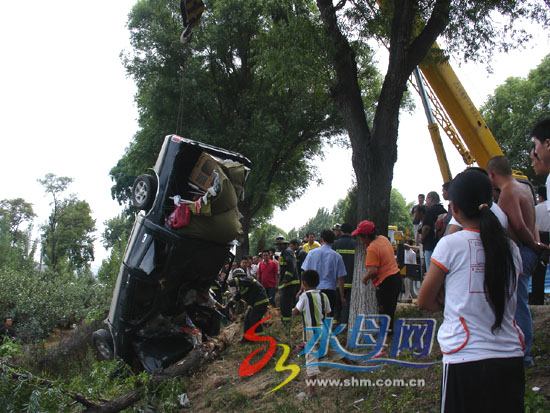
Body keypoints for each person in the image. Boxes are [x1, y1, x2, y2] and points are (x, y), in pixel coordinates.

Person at [418, 169, 525, 412]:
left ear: (453, 209)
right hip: (510, 359)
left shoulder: (450, 245)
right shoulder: (511, 249)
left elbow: (424, 300)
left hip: (465, 359)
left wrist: (451, 303)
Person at [487, 155, 547, 367]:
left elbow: (519, 226)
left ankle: (524, 354)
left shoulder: (509, 192)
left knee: (518, 303)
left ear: (492, 174)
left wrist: (532, 246)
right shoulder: (524, 188)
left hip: (521, 251)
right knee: (517, 300)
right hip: (526, 250)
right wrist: (536, 245)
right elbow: (531, 226)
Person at [353, 220, 402, 344]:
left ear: (366, 236)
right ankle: (389, 336)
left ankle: (384, 340)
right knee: (390, 310)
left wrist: (364, 279)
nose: (360, 239)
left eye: (360, 236)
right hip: (396, 277)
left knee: (384, 311)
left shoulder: (372, 249)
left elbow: (373, 271)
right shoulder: (383, 239)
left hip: (386, 282)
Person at [292, 270, 330, 400]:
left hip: (310, 335)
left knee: (311, 362)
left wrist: (293, 309)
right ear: (318, 282)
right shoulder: (324, 296)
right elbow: (328, 313)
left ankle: (311, 392)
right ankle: (350, 362)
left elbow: (296, 311)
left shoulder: (304, 296)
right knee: (334, 350)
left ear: (304, 283)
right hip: (324, 332)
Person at [300, 229, 347, 316]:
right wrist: (342, 297)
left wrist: (302, 289)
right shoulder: (337, 256)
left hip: (313, 290)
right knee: (328, 317)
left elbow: (305, 273)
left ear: (321, 239)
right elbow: (340, 278)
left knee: (314, 316)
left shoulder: (311, 253)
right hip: (330, 291)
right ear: (333, 240)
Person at [225, 268, 269, 340]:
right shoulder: (242, 287)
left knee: (253, 319)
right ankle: (246, 338)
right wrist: (228, 305)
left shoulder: (247, 280)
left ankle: (260, 337)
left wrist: (228, 283)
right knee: (248, 320)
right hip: (255, 304)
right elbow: (237, 297)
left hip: (261, 301)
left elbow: (239, 281)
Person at [274, 236, 300, 326]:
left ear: (283, 244)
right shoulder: (285, 252)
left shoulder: (287, 252)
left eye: (278, 244)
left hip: (289, 283)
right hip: (287, 283)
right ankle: (285, 322)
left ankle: (287, 323)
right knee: (284, 303)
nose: (277, 246)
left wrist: (286, 278)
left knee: (285, 304)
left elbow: (291, 265)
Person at [333, 222, 355, 324]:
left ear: (341, 231)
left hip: (338, 281)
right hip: (352, 281)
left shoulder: (336, 244)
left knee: (337, 304)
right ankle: (345, 324)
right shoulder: (356, 244)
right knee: (348, 304)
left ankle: (336, 322)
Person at [533, 184, 550, 305]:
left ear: (539, 196)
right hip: (547, 237)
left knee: (538, 272)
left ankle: (536, 299)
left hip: (538, 238)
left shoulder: (536, 209)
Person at [421, 191, 447, 270]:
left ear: (431, 199)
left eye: (426, 200)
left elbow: (426, 228)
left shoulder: (429, 211)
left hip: (430, 245)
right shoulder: (444, 211)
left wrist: (422, 238)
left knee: (430, 270)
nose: (426, 203)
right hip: (441, 245)